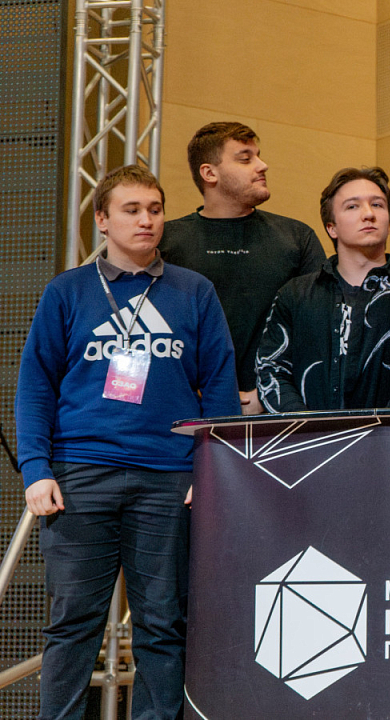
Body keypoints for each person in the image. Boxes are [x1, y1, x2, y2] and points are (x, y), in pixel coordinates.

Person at [16, 166, 240, 720]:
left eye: (155, 209)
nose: (146, 220)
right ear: (102, 219)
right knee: (73, 624)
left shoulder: (194, 291)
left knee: (162, 625)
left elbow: (219, 388)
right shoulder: (67, 291)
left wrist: (212, 473)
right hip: (79, 474)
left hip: (168, 478)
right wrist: (36, 468)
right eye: (132, 209)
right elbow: (36, 386)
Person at [160, 121, 325, 415]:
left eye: (258, 156)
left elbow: (317, 327)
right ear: (209, 173)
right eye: (245, 159)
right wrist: (196, 392)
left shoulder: (296, 237)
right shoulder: (166, 241)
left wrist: (270, 392)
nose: (263, 165)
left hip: (277, 408)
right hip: (184, 408)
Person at [256, 167, 390, 411]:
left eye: (377, 205)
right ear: (332, 227)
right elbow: (271, 368)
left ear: (389, 221)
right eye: (352, 206)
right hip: (308, 432)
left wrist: (385, 424)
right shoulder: (296, 294)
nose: (369, 214)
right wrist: (306, 425)